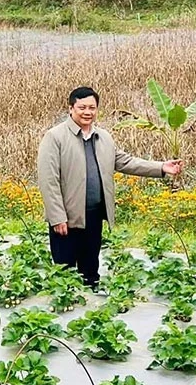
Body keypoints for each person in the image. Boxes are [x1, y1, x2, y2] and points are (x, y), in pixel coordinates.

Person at [37, 86, 183, 290]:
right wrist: (57, 216)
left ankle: (90, 311)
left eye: (92, 107)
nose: (87, 112)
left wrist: (160, 167)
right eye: (82, 107)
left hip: (95, 215)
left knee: (90, 268)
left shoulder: (103, 137)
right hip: (68, 218)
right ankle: (65, 313)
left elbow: (126, 162)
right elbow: (48, 180)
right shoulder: (55, 137)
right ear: (71, 108)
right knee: (64, 272)